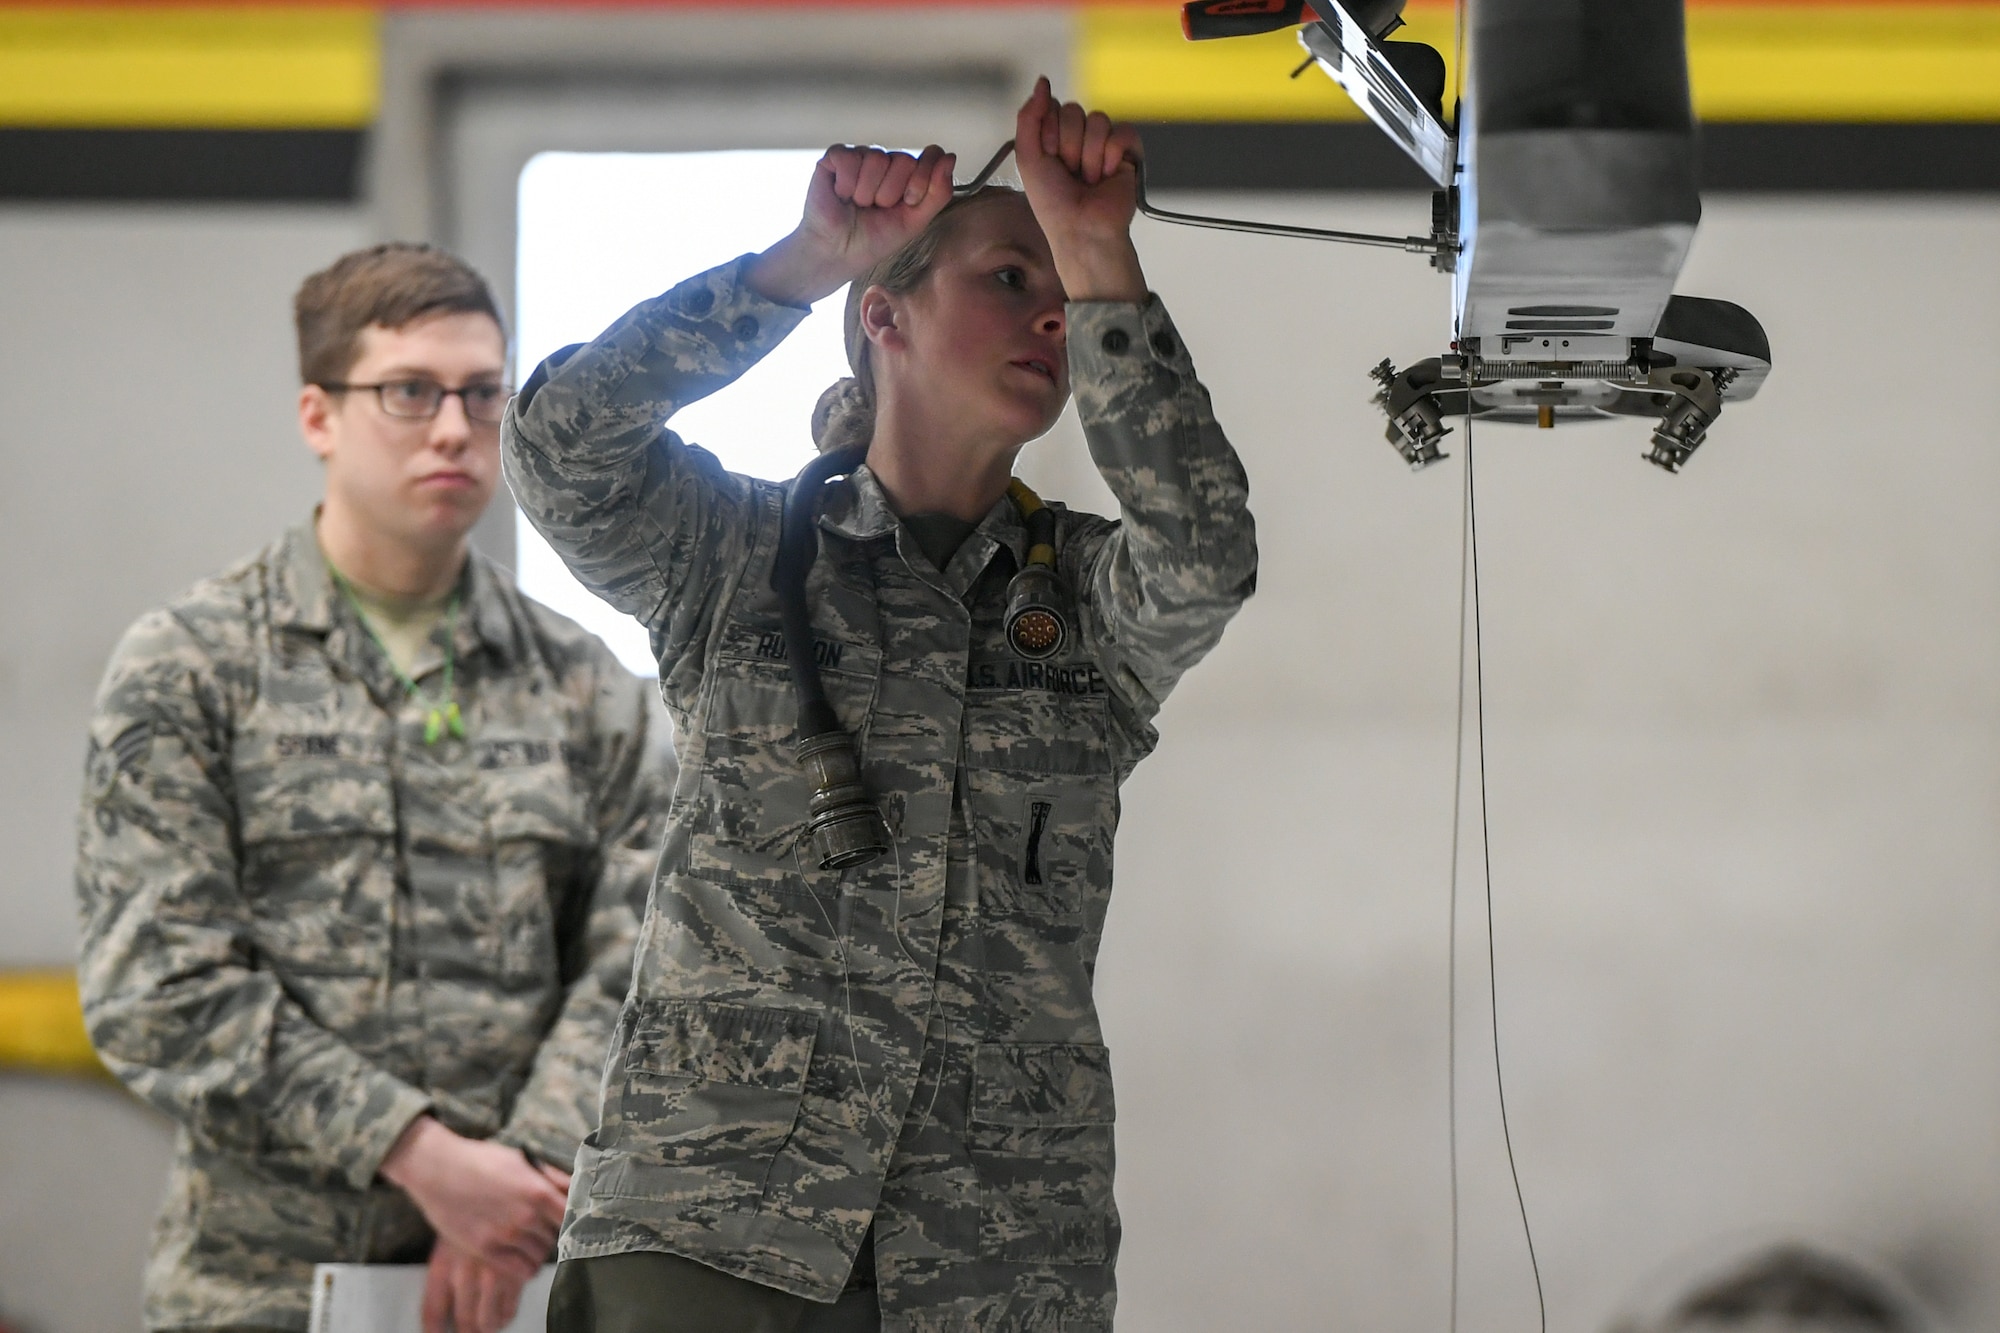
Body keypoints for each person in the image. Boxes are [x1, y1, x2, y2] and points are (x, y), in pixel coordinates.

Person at [509, 78, 1257, 1331]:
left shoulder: (1080, 604)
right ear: (883, 316)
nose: (1052, 319)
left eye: (1066, 299)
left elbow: (1204, 555)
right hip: (709, 1227)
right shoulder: (736, 553)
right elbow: (558, 451)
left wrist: (1100, 253)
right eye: (1008, 279)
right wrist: (796, 264)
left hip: (988, 1256)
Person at [74, 243, 676, 1333]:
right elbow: (153, 982)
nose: (453, 427)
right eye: (409, 392)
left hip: (521, 1275)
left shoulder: (585, 685)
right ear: (318, 414)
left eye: (481, 393)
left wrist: (512, 1181)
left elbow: (645, 956)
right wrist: (418, 1153)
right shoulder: (192, 665)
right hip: (259, 1286)